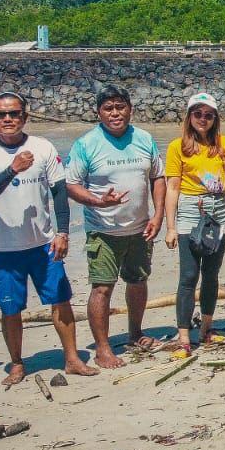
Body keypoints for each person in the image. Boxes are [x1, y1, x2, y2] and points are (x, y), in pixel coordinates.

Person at [0, 92, 95, 386]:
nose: (8, 119)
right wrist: (12, 169)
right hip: (4, 248)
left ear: (25, 117)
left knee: (61, 301)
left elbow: (59, 194)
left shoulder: (43, 147)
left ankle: (73, 358)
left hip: (44, 245)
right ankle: (16, 363)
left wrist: (63, 232)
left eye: (14, 114)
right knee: (11, 308)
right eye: (1, 115)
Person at [65, 86, 166, 369]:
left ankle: (135, 334)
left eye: (120, 107)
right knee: (102, 289)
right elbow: (71, 184)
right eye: (108, 108)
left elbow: (158, 177)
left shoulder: (144, 139)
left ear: (130, 109)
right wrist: (97, 201)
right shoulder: (86, 144)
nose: (115, 113)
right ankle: (103, 348)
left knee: (138, 282)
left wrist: (158, 215)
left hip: (140, 228)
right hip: (103, 230)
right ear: (98, 113)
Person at [162, 93, 225, 356]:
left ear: (215, 118)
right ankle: (184, 335)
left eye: (209, 115)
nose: (203, 119)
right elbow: (172, 188)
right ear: (189, 117)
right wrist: (171, 227)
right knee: (188, 276)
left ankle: (206, 328)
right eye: (198, 114)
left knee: (211, 274)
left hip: (218, 212)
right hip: (189, 210)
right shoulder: (177, 147)